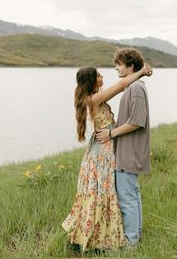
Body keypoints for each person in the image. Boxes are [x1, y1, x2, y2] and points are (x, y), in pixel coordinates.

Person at [61, 62, 152, 252]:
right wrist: (142, 71)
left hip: (105, 150)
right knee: (103, 193)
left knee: (105, 194)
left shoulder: (94, 98)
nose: (103, 78)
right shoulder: (93, 98)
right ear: (92, 81)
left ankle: (106, 236)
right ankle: (100, 239)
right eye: (99, 75)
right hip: (103, 153)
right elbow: (121, 86)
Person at [96, 48, 152, 246]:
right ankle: (135, 237)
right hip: (129, 151)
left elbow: (137, 121)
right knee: (132, 197)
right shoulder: (134, 86)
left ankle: (131, 243)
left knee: (127, 199)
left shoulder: (136, 88)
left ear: (130, 66)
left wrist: (110, 133)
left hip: (130, 152)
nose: (116, 67)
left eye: (119, 64)